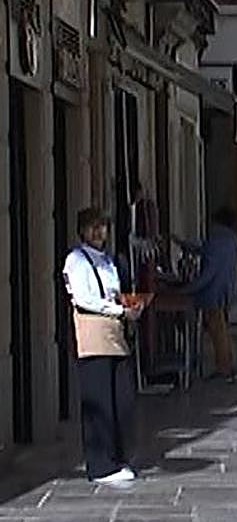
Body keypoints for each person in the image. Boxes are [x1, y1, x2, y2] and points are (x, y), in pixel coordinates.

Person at [62, 208, 145, 486]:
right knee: (100, 402)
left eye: (102, 227)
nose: (98, 232)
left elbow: (111, 293)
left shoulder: (108, 261)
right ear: (82, 231)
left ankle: (117, 457)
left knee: (121, 400)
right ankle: (100, 466)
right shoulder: (77, 260)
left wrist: (129, 305)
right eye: (92, 227)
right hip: (93, 336)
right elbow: (84, 298)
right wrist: (118, 310)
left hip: (114, 335)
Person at [175, 208, 237, 383]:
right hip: (226, 291)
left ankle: (224, 368)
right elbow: (204, 250)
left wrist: (188, 289)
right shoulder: (231, 240)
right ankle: (229, 366)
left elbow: (208, 272)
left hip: (213, 293)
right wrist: (183, 243)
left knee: (218, 332)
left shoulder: (217, 239)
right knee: (223, 330)